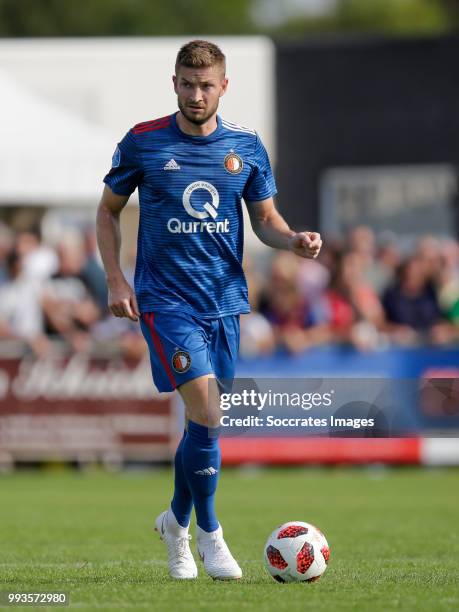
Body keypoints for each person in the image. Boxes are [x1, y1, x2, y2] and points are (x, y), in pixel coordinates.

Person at [96, 40, 322, 581]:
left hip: (223, 301)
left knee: (204, 421)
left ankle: (174, 522)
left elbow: (264, 220)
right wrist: (114, 278)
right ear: (173, 83)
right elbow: (107, 212)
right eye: (186, 83)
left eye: (206, 85)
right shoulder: (144, 142)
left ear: (224, 87)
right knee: (208, 410)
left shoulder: (246, 145)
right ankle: (209, 533)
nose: (196, 94)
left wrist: (292, 240)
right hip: (165, 300)